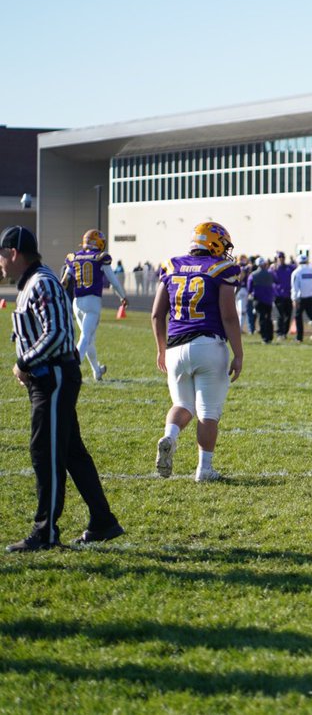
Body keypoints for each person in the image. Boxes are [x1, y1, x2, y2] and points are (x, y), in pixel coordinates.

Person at [1, 226, 124, 551]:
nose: (0, 264)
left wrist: (23, 362)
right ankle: (103, 521)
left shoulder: (42, 281)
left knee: (45, 451)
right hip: (50, 376)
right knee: (71, 453)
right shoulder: (32, 282)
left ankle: (45, 531)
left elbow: (56, 334)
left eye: (1, 256)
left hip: (53, 376)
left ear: (14, 253)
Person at [151, 222, 244, 481]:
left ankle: (170, 436)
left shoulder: (172, 265)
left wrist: (161, 350)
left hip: (175, 347)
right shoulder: (222, 269)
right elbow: (228, 316)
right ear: (214, 243)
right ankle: (204, 469)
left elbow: (157, 314)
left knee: (182, 404)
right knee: (208, 412)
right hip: (208, 345)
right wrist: (239, 353)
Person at [60, 229, 129, 381]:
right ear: (97, 242)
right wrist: (123, 296)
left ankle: (96, 371)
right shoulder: (100, 257)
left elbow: (64, 281)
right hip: (92, 301)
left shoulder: (74, 257)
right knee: (85, 336)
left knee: (89, 338)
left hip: (77, 302)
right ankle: (71, 368)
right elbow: (113, 280)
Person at [290, 254, 312, 343]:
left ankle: (299, 337)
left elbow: (295, 287)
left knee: (298, 317)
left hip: (301, 298)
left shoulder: (296, 273)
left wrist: (294, 298)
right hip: (311, 297)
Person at [248, 257, 276, 345]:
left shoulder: (253, 275)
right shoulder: (270, 274)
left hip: (258, 299)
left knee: (262, 318)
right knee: (269, 318)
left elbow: (249, 288)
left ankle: (265, 337)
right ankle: (270, 336)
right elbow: (276, 281)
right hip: (269, 299)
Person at [270, 253, 295, 340]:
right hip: (278, 295)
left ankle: (284, 333)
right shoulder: (273, 269)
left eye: (282, 257)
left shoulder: (289, 268)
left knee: (288, 315)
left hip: (288, 295)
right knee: (280, 315)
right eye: (279, 257)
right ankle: (280, 333)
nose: (281, 259)